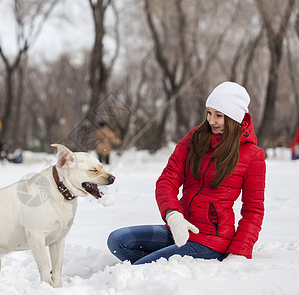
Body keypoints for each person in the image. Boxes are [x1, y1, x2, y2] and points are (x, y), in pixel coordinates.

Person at [107, 81, 266, 264]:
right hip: (180, 228)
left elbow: (253, 210)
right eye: (209, 112)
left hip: (211, 240)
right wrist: (173, 216)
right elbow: (167, 179)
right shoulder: (195, 138)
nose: (211, 120)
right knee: (118, 241)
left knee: (139, 268)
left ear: (234, 118)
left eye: (219, 115)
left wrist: (239, 252)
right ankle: (165, 269)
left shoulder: (252, 155)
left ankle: (154, 268)